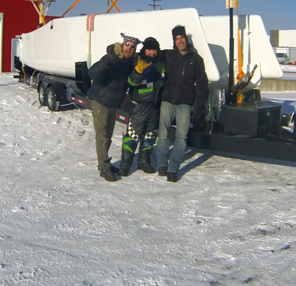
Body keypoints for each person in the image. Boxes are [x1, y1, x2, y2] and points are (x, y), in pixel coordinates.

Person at [154, 25, 208, 182]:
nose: (180, 41)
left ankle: (173, 167)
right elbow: (152, 54)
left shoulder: (196, 60)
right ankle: (162, 163)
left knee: (181, 137)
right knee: (163, 134)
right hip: (167, 101)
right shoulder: (169, 55)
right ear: (174, 41)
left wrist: (200, 104)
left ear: (186, 39)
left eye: (182, 38)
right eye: (177, 39)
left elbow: (202, 83)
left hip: (185, 103)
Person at [87, 34, 137, 182]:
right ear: (122, 45)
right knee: (102, 136)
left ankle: (105, 162)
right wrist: (108, 59)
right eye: (127, 45)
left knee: (108, 136)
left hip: (113, 103)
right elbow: (93, 73)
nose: (129, 49)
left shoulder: (129, 63)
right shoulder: (112, 57)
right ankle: (104, 167)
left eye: (132, 47)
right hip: (100, 101)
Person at [119, 37, 164, 177]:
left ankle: (144, 162)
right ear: (145, 50)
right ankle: (125, 166)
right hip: (139, 107)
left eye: (154, 49)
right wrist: (138, 71)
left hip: (154, 107)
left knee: (149, 137)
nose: (152, 52)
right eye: (149, 49)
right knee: (132, 137)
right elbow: (131, 83)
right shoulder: (137, 61)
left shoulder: (161, 64)